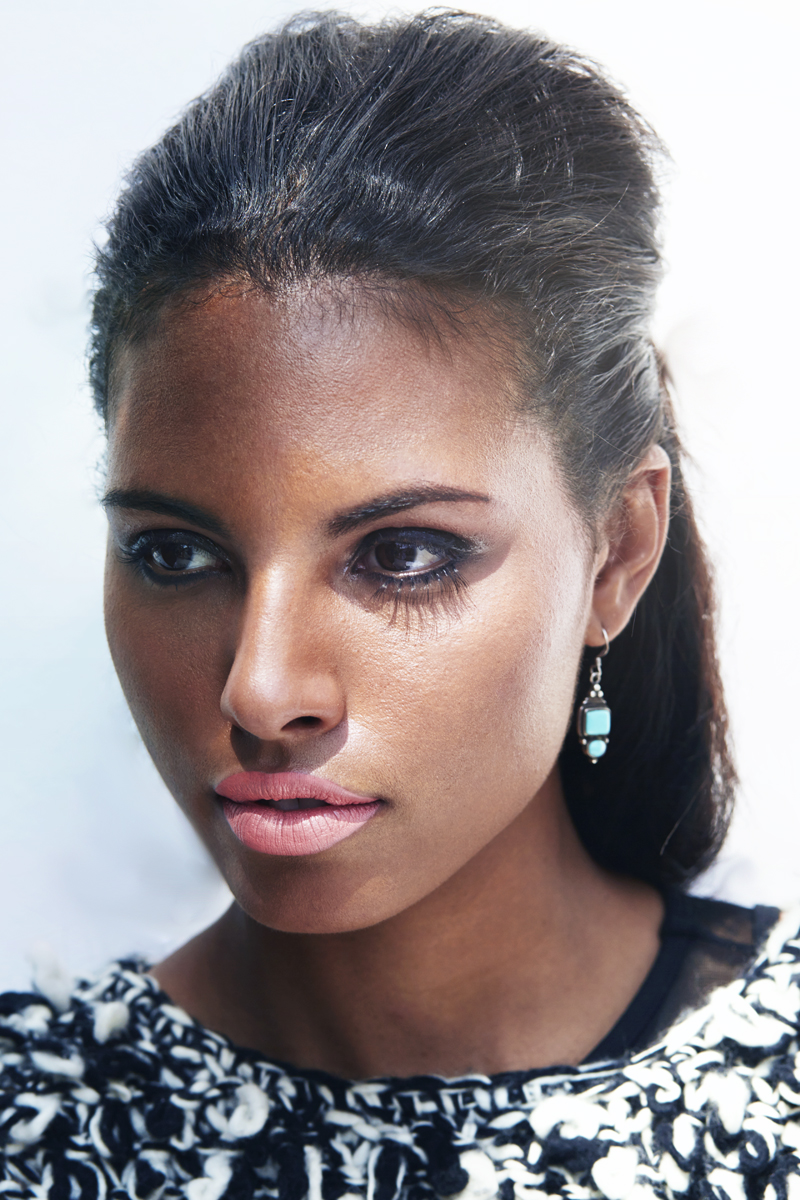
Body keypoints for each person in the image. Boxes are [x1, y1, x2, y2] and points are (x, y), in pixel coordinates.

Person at [1, 10, 798, 1199]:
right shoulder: (33, 1124)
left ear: (618, 550)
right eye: (174, 555)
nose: (260, 689)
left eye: (404, 554)